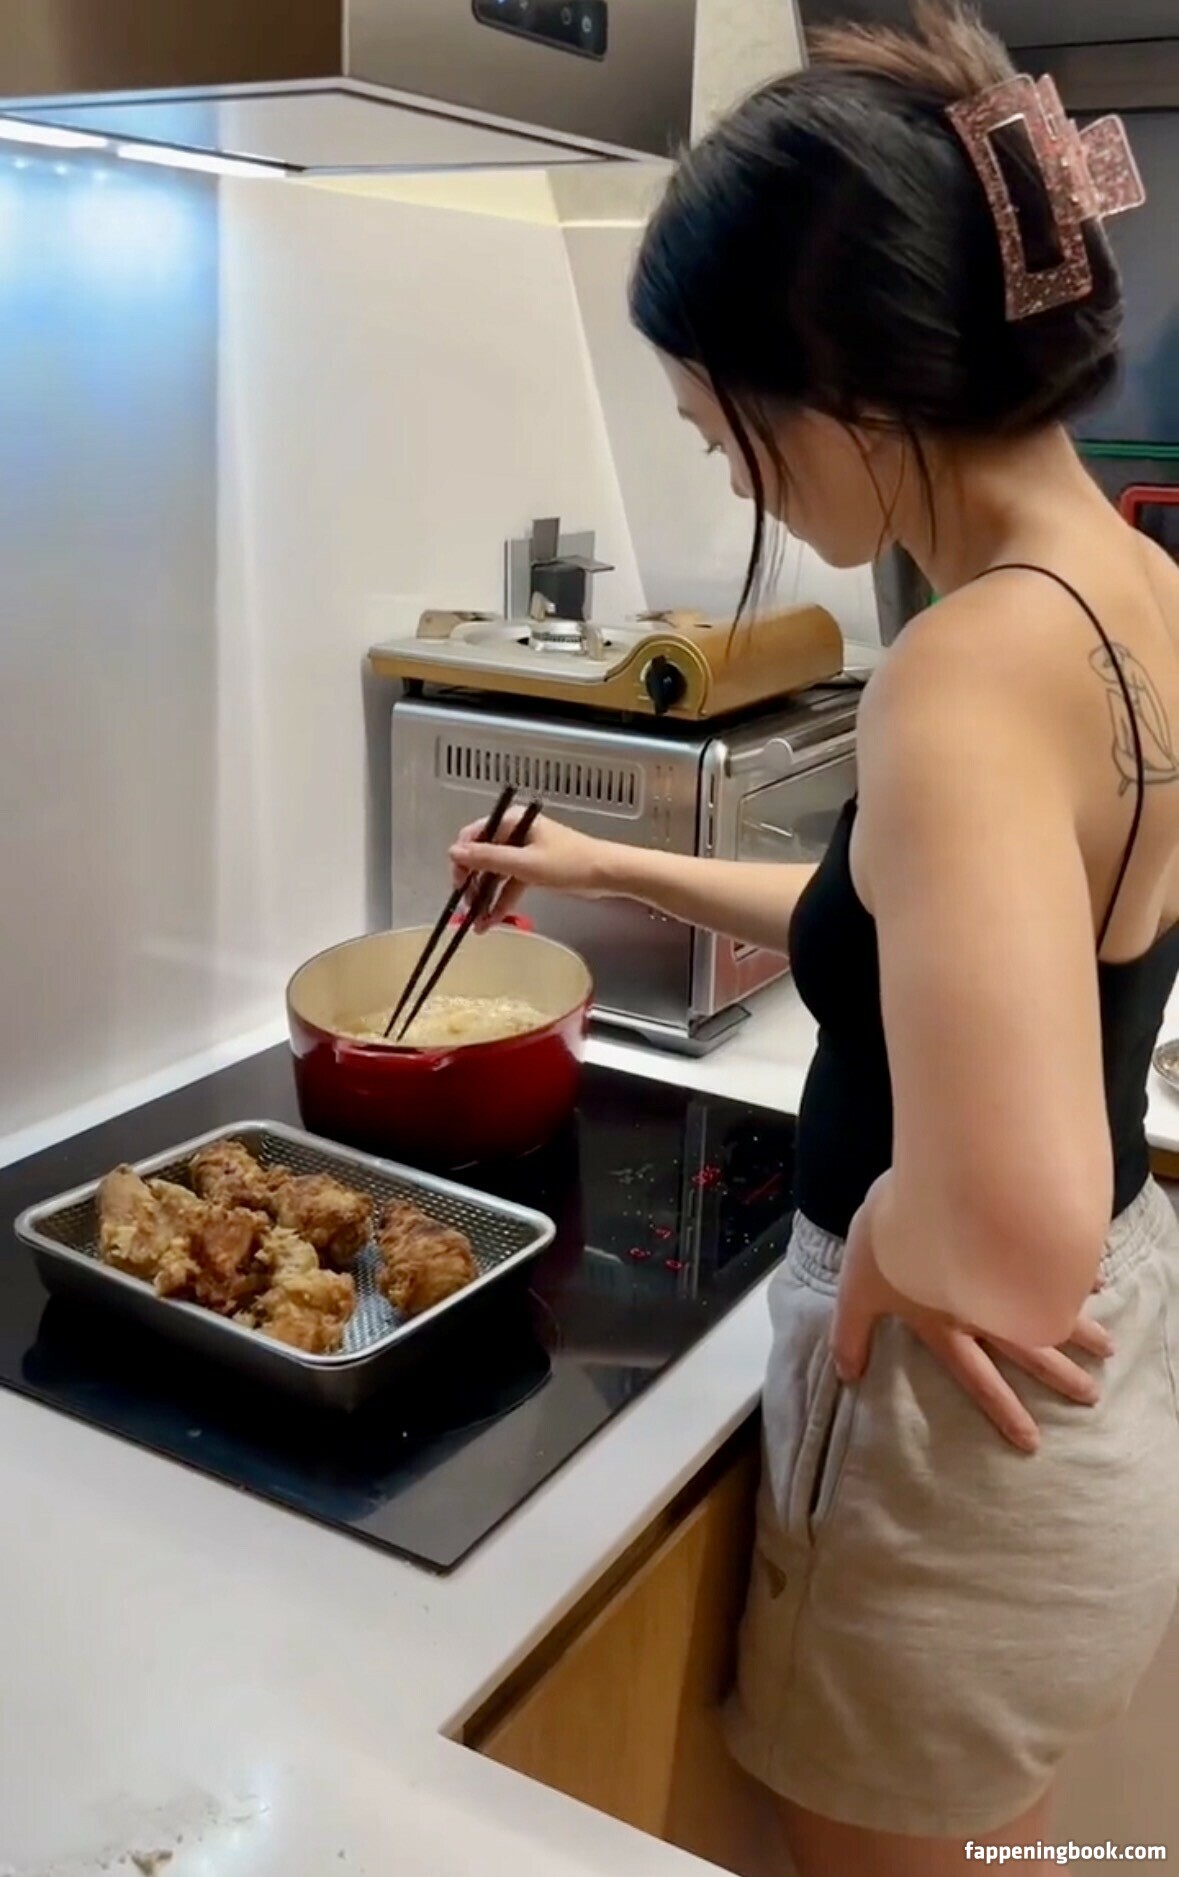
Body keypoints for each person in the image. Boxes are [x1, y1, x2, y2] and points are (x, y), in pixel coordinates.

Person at [450, 4, 1179, 1870]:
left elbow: (1011, 1227)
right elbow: (933, 938)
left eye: (725, 437)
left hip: (952, 1439)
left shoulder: (963, 667)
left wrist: (885, 1264)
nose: (736, 483)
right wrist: (612, 867)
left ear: (833, 382)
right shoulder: (1136, 588)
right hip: (1093, 1403)